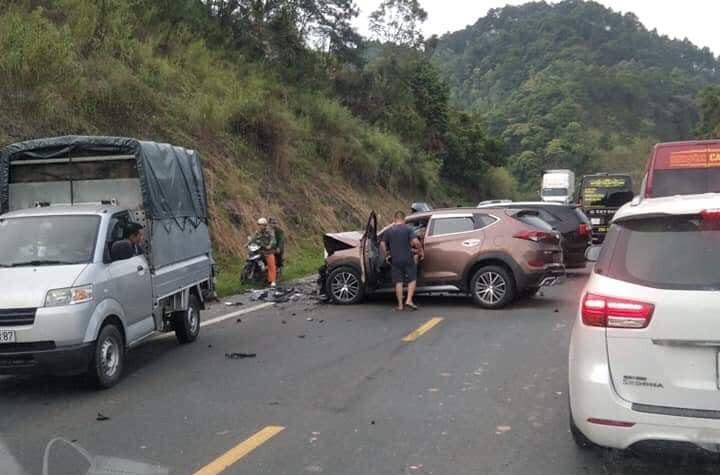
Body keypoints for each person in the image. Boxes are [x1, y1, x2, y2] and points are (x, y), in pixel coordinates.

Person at [380, 211, 423, 311]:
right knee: (412, 279)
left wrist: (386, 253)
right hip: (408, 258)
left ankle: (400, 306)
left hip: (395, 260)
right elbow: (416, 242)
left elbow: (382, 243)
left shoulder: (389, 231)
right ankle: (408, 300)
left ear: (394, 219)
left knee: (398, 282)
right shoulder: (408, 229)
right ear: (404, 219)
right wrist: (420, 251)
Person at [254, 218, 278, 287]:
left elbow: (273, 240)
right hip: (260, 250)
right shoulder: (257, 232)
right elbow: (253, 238)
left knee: (271, 265)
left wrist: (270, 245)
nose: (260, 226)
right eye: (259, 225)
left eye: (262, 225)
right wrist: (247, 244)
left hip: (268, 251)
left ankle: (273, 280)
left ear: (265, 225)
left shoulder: (270, 231)